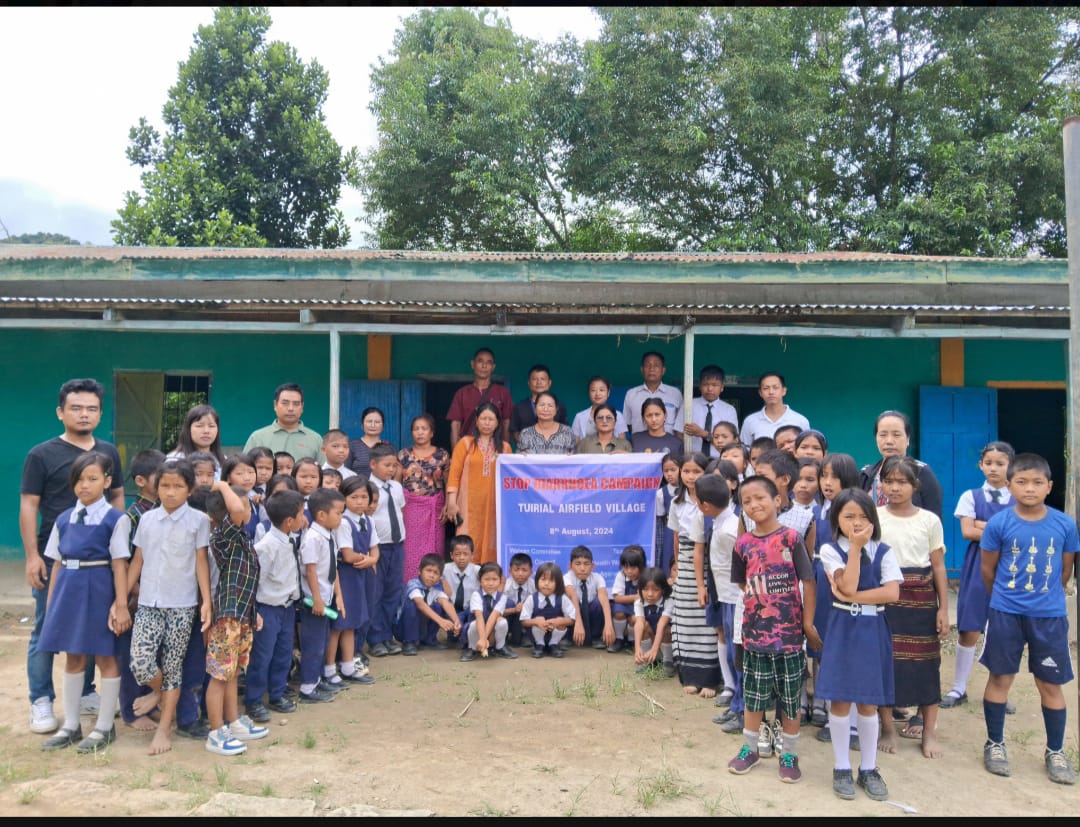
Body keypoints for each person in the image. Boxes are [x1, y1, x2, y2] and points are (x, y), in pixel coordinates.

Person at [20, 378, 124, 735]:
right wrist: (34, 556)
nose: (84, 414)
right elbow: (28, 505)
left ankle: (86, 693)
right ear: (61, 412)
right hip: (57, 558)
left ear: (100, 412)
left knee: (96, 628)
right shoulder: (42, 454)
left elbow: (118, 499)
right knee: (47, 628)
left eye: (92, 408)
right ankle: (41, 699)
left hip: (99, 561)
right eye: (76, 408)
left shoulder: (108, 452)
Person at [978, 452, 1078, 785]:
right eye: (1021, 482)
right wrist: (1007, 600)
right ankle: (994, 743)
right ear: (1009, 486)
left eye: (1037, 483)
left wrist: (1045, 597)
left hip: (1048, 617)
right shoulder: (999, 524)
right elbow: (988, 570)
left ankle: (1055, 751)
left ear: (1049, 487)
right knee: (1000, 678)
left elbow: (1065, 570)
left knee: (1050, 684)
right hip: (1006, 613)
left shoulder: (1065, 524)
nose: (1030, 489)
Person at [727, 475, 819, 783]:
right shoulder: (742, 544)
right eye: (746, 501)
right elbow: (743, 583)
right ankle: (750, 748)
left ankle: (789, 752)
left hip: (790, 636)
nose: (754, 505)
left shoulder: (791, 538)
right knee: (753, 696)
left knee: (790, 697)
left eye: (760, 498)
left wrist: (806, 623)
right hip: (754, 635)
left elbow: (808, 581)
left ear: (777, 500)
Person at [37, 452, 131, 753]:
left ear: (107, 481)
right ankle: (71, 725)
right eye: (79, 480)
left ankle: (104, 726)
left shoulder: (117, 519)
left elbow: (119, 564)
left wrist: (120, 604)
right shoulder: (63, 519)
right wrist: (53, 606)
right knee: (73, 657)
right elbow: (57, 564)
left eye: (92, 479)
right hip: (69, 591)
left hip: (99, 590)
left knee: (105, 657)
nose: (84, 485)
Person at [815, 488, 902, 801]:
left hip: (872, 627)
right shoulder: (830, 550)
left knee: (868, 702)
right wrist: (854, 550)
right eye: (848, 516)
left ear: (874, 519)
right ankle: (841, 766)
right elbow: (847, 583)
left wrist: (852, 597)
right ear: (836, 519)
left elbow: (891, 594)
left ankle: (868, 767)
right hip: (842, 627)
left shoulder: (884, 551)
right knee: (839, 700)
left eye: (863, 517)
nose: (856, 523)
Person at [126, 458, 212, 755]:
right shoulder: (147, 519)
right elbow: (137, 561)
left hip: (182, 605)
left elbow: (202, 563)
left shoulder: (198, 521)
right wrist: (120, 601)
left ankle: (163, 729)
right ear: (156, 487)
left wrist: (207, 603)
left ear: (189, 490)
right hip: (149, 602)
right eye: (165, 485)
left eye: (178, 486)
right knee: (140, 662)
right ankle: (159, 694)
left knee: (174, 668)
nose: (170, 492)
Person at [876, 455, 948, 759]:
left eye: (901, 482)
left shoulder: (929, 520)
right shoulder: (874, 516)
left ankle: (929, 733)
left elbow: (939, 566)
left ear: (914, 486)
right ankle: (888, 728)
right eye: (889, 481)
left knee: (926, 666)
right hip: (886, 600)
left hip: (921, 603)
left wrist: (943, 608)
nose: (895, 487)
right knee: (886, 664)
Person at [943, 441, 1015, 711]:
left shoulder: (1018, 497)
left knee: (1005, 630)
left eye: (1000, 463)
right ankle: (959, 687)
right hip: (977, 566)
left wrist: (984, 526)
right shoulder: (971, 496)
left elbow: (1019, 531)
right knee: (969, 627)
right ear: (980, 465)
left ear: (1010, 465)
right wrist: (999, 530)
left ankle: (999, 693)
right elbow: (968, 532)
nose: (993, 468)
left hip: (1010, 569)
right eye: (988, 463)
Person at [203, 480, 269, 756]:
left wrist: (254, 613)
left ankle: (232, 722)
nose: (247, 511)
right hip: (226, 621)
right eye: (242, 507)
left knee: (231, 674)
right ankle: (216, 732)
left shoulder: (241, 537)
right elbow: (235, 509)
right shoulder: (223, 536)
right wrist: (222, 485)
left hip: (240, 617)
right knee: (219, 676)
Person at [245, 489, 306, 725]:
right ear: (289, 521)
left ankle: (278, 693)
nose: (304, 518)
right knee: (263, 655)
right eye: (301, 514)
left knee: (283, 653)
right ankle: (254, 700)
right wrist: (255, 612)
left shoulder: (291, 539)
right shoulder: (265, 547)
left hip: (287, 607)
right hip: (267, 609)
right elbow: (256, 582)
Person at [118, 449, 163, 732]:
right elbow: (124, 560)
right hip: (137, 597)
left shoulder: (162, 512)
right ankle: (131, 711)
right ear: (141, 481)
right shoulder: (133, 516)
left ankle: (151, 702)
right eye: (161, 478)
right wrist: (134, 592)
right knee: (132, 657)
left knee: (153, 653)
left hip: (157, 597)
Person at [668, 452, 720, 698]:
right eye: (686, 471)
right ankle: (690, 675)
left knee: (706, 619)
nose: (690, 476)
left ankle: (710, 678)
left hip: (710, 559)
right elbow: (676, 536)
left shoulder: (714, 499)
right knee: (686, 619)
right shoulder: (676, 502)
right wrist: (677, 564)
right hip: (686, 564)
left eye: (696, 472)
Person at [695, 475, 741, 714]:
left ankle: (740, 707)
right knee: (733, 652)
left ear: (705, 505)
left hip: (735, 598)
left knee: (738, 654)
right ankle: (736, 703)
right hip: (724, 596)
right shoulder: (721, 523)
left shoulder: (728, 530)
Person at [445, 402, 511, 564]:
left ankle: (489, 579)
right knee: (466, 539)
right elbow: (454, 475)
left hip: (494, 505)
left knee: (492, 539)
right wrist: (451, 502)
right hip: (468, 505)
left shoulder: (505, 447)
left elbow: (511, 478)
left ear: (497, 423)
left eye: (491, 419)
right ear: (476, 420)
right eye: (483, 419)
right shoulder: (465, 444)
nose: (487, 423)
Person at [297, 488, 346, 704]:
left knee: (323, 640)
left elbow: (332, 568)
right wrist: (316, 598)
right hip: (313, 601)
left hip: (325, 598)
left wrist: (337, 596)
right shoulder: (313, 538)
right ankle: (308, 687)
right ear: (321, 515)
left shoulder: (329, 535)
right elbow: (310, 570)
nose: (341, 517)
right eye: (339, 513)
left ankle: (316, 680)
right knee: (313, 645)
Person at [859, 410, 944, 519]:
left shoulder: (921, 472)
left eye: (896, 435)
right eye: (883, 435)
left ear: (908, 439)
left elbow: (934, 517)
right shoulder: (866, 474)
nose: (889, 441)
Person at [398, 414, 451, 585]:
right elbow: (396, 484)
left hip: (435, 509)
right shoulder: (403, 455)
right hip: (410, 510)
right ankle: (410, 590)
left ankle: (433, 590)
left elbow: (448, 483)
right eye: (416, 429)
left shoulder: (442, 455)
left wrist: (449, 504)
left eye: (424, 429)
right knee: (409, 551)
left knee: (433, 550)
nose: (420, 433)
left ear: (432, 433)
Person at [340, 476, 380, 680]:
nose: (360, 502)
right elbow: (347, 555)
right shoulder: (343, 522)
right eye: (354, 497)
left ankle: (355, 654)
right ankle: (347, 659)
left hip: (367, 572)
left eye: (364, 497)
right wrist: (368, 559)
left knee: (366, 612)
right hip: (350, 574)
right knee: (351, 617)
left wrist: (372, 559)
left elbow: (375, 548)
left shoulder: (369, 520)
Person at [446, 347, 513, 449]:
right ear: (473, 364)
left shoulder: (502, 392)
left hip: (494, 448)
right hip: (468, 447)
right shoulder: (462, 393)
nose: (484, 366)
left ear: (493, 367)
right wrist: (456, 452)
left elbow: (506, 422)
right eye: (480, 361)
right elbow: (455, 425)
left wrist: (503, 451)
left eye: (488, 362)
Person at [398, 553, 461, 653]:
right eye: (428, 571)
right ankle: (409, 642)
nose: (431, 575)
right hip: (402, 629)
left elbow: (446, 603)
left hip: (422, 626)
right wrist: (441, 621)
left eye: (436, 573)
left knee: (438, 606)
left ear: (440, 577)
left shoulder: (436, 588)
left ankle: (428, 641)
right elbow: (420, 603)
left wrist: (457, 621)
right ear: (419, 571)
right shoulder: (413, 584)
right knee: (412, 606)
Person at [243, 383, 323, 461]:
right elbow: (244, 468)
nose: (290, 408)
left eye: (296, 404)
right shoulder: (258, 438)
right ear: (275, 405)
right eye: (285, 403)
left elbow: (325, 471)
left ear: (302, 407)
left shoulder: (316, 439)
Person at [460, 561, 517, 661]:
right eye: (486, 579)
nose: (490, 583)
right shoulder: (476, 595)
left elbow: (493, 616)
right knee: (474, 624)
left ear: (500, 580)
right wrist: (482, 639)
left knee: (502, 621)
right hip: (477, 629)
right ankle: (472, 648)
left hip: (491, 631)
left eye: (494, 579)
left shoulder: (502, 597)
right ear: (480, 580)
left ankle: (500, 647)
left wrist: (484, 639)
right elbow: (479, 616)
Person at [622, 351, 684, 437]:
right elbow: (628, 424)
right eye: (647, 365)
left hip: (669, 447)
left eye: (656, 365)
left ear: (663, 370)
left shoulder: (675, 393)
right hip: (640, 445)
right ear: (642, 370)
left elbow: (680, 425)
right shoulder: (631, 394)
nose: (652, 369)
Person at [521, 562, 576, 657]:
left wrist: (560, 621)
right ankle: (539, 645)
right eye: (543, 579)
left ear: (558, 583)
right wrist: (536, 621)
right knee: (535, 624)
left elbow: (573, 618)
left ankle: (554, 645)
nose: (546, 583)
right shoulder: (531, 599)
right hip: (537, 632)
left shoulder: (562, 598)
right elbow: (523, 621)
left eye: (551, 581)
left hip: (555, 632)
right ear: (537, 580)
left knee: (562, 625)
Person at [738, 372, 810, 446]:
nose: (771, 392)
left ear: (784, 391)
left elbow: (805, 448)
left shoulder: (800, 421)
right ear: (760, 393)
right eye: (766, 388)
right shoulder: (750, 421)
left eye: (775, 387)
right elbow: (745, 450)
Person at [565, 545, 615, 650]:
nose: (582, 568)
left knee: (598, 603)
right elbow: (573, 595)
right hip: (575, 611)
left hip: (590, 612)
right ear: (570, 566)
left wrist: (608, 624)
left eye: (586, 564)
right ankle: (567, 637)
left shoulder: (597, 577)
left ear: (592, 566)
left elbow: (604, 597)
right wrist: (578, 622)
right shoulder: (566, 577)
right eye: (578, 564)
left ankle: (596, 637)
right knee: (567, 603)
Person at [685, 365, 738, 457]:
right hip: (692, 460)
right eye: (706, 384)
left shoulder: (729, 410)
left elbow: (732, 440)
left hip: (720, 460)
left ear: (722, 387)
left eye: (714, 385)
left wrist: (703, 434)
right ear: (700, 386)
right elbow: (678, 433)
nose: (710, 389)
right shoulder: (688, 405)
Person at [509, 363, 569, 443]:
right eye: (534, 379)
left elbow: (564, 428)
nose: (539, 382)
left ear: (549, 383)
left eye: (542, 379)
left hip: (554, 452)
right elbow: (515, 430)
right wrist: (524, 446)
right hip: (527, 452)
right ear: (529, 383)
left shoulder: (559, 405)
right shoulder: (520, 406)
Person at [632, 567, 675, 674]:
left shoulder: (668, 601)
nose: (650, 594)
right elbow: (639, 624)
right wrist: (637, 649)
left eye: (655, 590)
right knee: (643, 625)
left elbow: (662, 623)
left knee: (668, 629)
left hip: (664, 643)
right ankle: (646, 659)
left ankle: (668, 661)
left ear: (663, 590)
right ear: (640, 590)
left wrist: (655, 649)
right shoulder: (639, 602)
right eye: (645, 589)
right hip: (651, 642)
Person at [166, 403, 224, 477]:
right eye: (199, 426)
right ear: (188, 429)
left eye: (211, 426)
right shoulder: (175, 460)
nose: (206, 431)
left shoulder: (223, 460)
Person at [608, 545, 645, 652]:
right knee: (618, 612)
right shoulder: (621, 576)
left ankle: (632, 641)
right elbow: (617, 598)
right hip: (625, 606)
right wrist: (636, 597)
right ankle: (619, 639)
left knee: (635, 619)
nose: (629, 571)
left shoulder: (646, 576)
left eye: (633, 568)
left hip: (640, 607)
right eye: (626, 567)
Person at [570, 375, 629, 442]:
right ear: (589, 393)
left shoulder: (618, 415)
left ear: (608, 393)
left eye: (601, 390)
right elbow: (575, 445)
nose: (597, 393)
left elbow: (622, 443)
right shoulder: (579, 417)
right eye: (593, 390)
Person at [442, 535, 481, 635]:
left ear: (472, 555)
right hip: (451, 609)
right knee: (453, 636)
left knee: (466, 632)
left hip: (470, 610)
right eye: (458, 554)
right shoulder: (445, 569)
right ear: (451, 555)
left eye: (465, 554)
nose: (461, 558)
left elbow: (499, 577)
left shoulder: (478, 571)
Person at [346, 407, 392, 478]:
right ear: (362, 425)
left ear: (383, 426)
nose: (373, 425)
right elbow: (345, 471)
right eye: (369, 421)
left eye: (377, 422)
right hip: (357, 487)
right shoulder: (352, 446)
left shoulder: (389, 447)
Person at [502, 552, 535, 648]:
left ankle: (526, 635)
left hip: (527, 618)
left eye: (524, 570)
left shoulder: (535, 586)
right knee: (509, 604)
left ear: (531, 572)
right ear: (510, 571)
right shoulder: (505, 587)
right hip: (510, 617)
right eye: (516, 570)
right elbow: (499, 610)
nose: (520, 574)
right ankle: (505, 636)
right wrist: (514, 610)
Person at [654, 455, 680, 572]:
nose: (669, 474)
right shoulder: (661, 494)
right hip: (670, 532)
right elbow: (661, 517)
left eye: (673, 470)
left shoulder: (690, 490)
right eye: (666, 471)